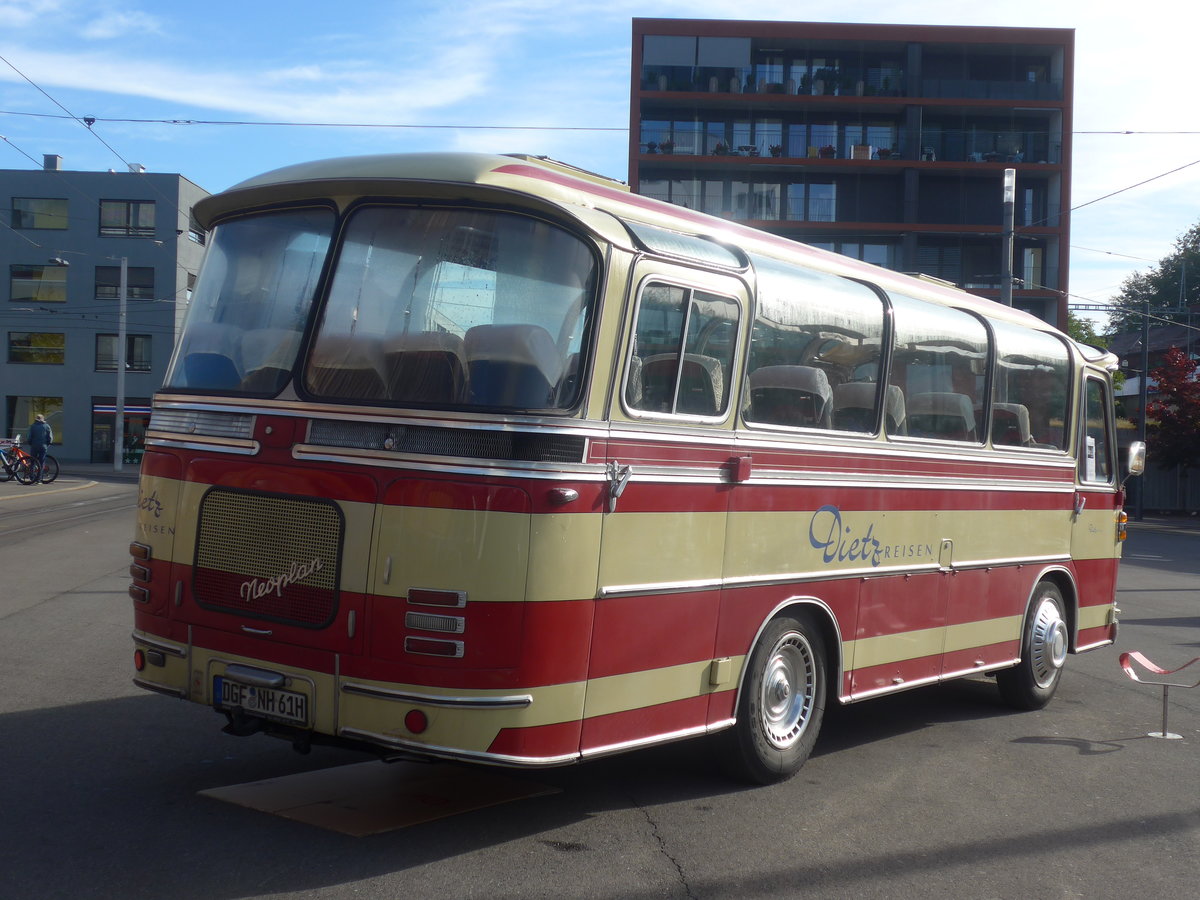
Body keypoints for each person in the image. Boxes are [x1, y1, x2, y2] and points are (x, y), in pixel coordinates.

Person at [28, 413, 52, 483]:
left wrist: (30, 443)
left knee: (33, 461)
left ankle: (32, 477)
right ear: (43, 419)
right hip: (43, 446)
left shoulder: (33, 426)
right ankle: (39, 479)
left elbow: (29, 437)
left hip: (34, 446)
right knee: (41, 462)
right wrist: (47, 444)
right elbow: (50, 438)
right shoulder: (46, 426)